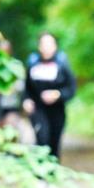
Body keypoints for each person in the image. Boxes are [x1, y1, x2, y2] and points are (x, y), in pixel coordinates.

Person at [24, 32, 76, 161]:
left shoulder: (62, 64)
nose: (46, 47)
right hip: (38, 109)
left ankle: (53, 170)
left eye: (49, 44)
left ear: (55, 46)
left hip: (57, 110)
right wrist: (26, 100)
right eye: (43, 44)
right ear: (39, 46)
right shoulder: (33, 63)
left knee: (54, 141)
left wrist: (57, 94)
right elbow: (26, 87)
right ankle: (41, 171)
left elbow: (71, 88)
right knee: (42, 138)